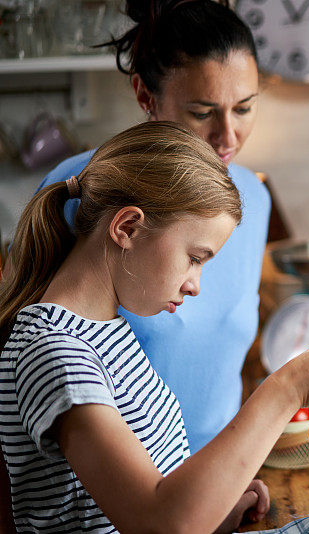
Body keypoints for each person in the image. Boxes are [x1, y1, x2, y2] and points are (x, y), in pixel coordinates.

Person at [0, 121, 309, 533]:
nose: (195, 286)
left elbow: (148, 499)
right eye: (194, 258)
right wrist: (287, 388)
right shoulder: (53, 352)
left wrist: (213, 506)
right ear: (127, 228)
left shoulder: (107, 330)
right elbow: (159, 524)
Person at [36, 0, 268, 455]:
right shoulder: (85, 191)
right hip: (118, 501)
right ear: (146, 96)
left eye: (243, 107)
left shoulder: (253, 200)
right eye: (203, 112)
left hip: (220, 485)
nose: (228, 136)